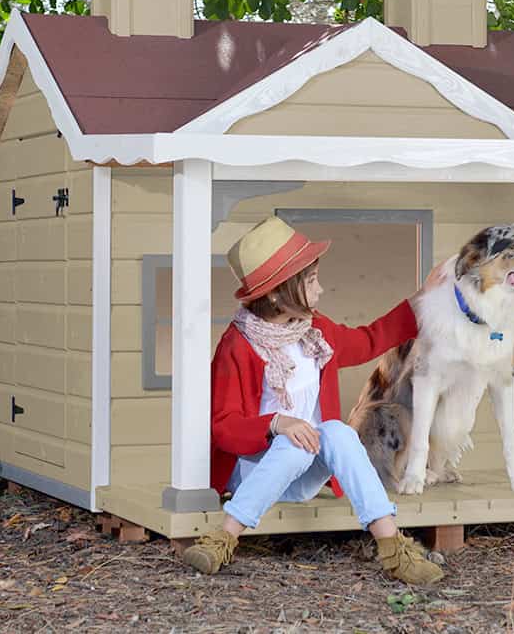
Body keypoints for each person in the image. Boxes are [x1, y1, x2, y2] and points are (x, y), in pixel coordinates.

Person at [182, 216, 445, 584]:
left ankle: (394, 549)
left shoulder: (313, 331)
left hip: (303, 473)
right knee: (294, 442)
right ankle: (222, 539)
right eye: (310, 281)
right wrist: (277, 424)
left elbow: (368, 340)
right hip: (256, 473)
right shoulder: (238, 345)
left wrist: (421, 300)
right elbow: (224, 427)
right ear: (276, 293)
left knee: (337, 432)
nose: (320, 290)